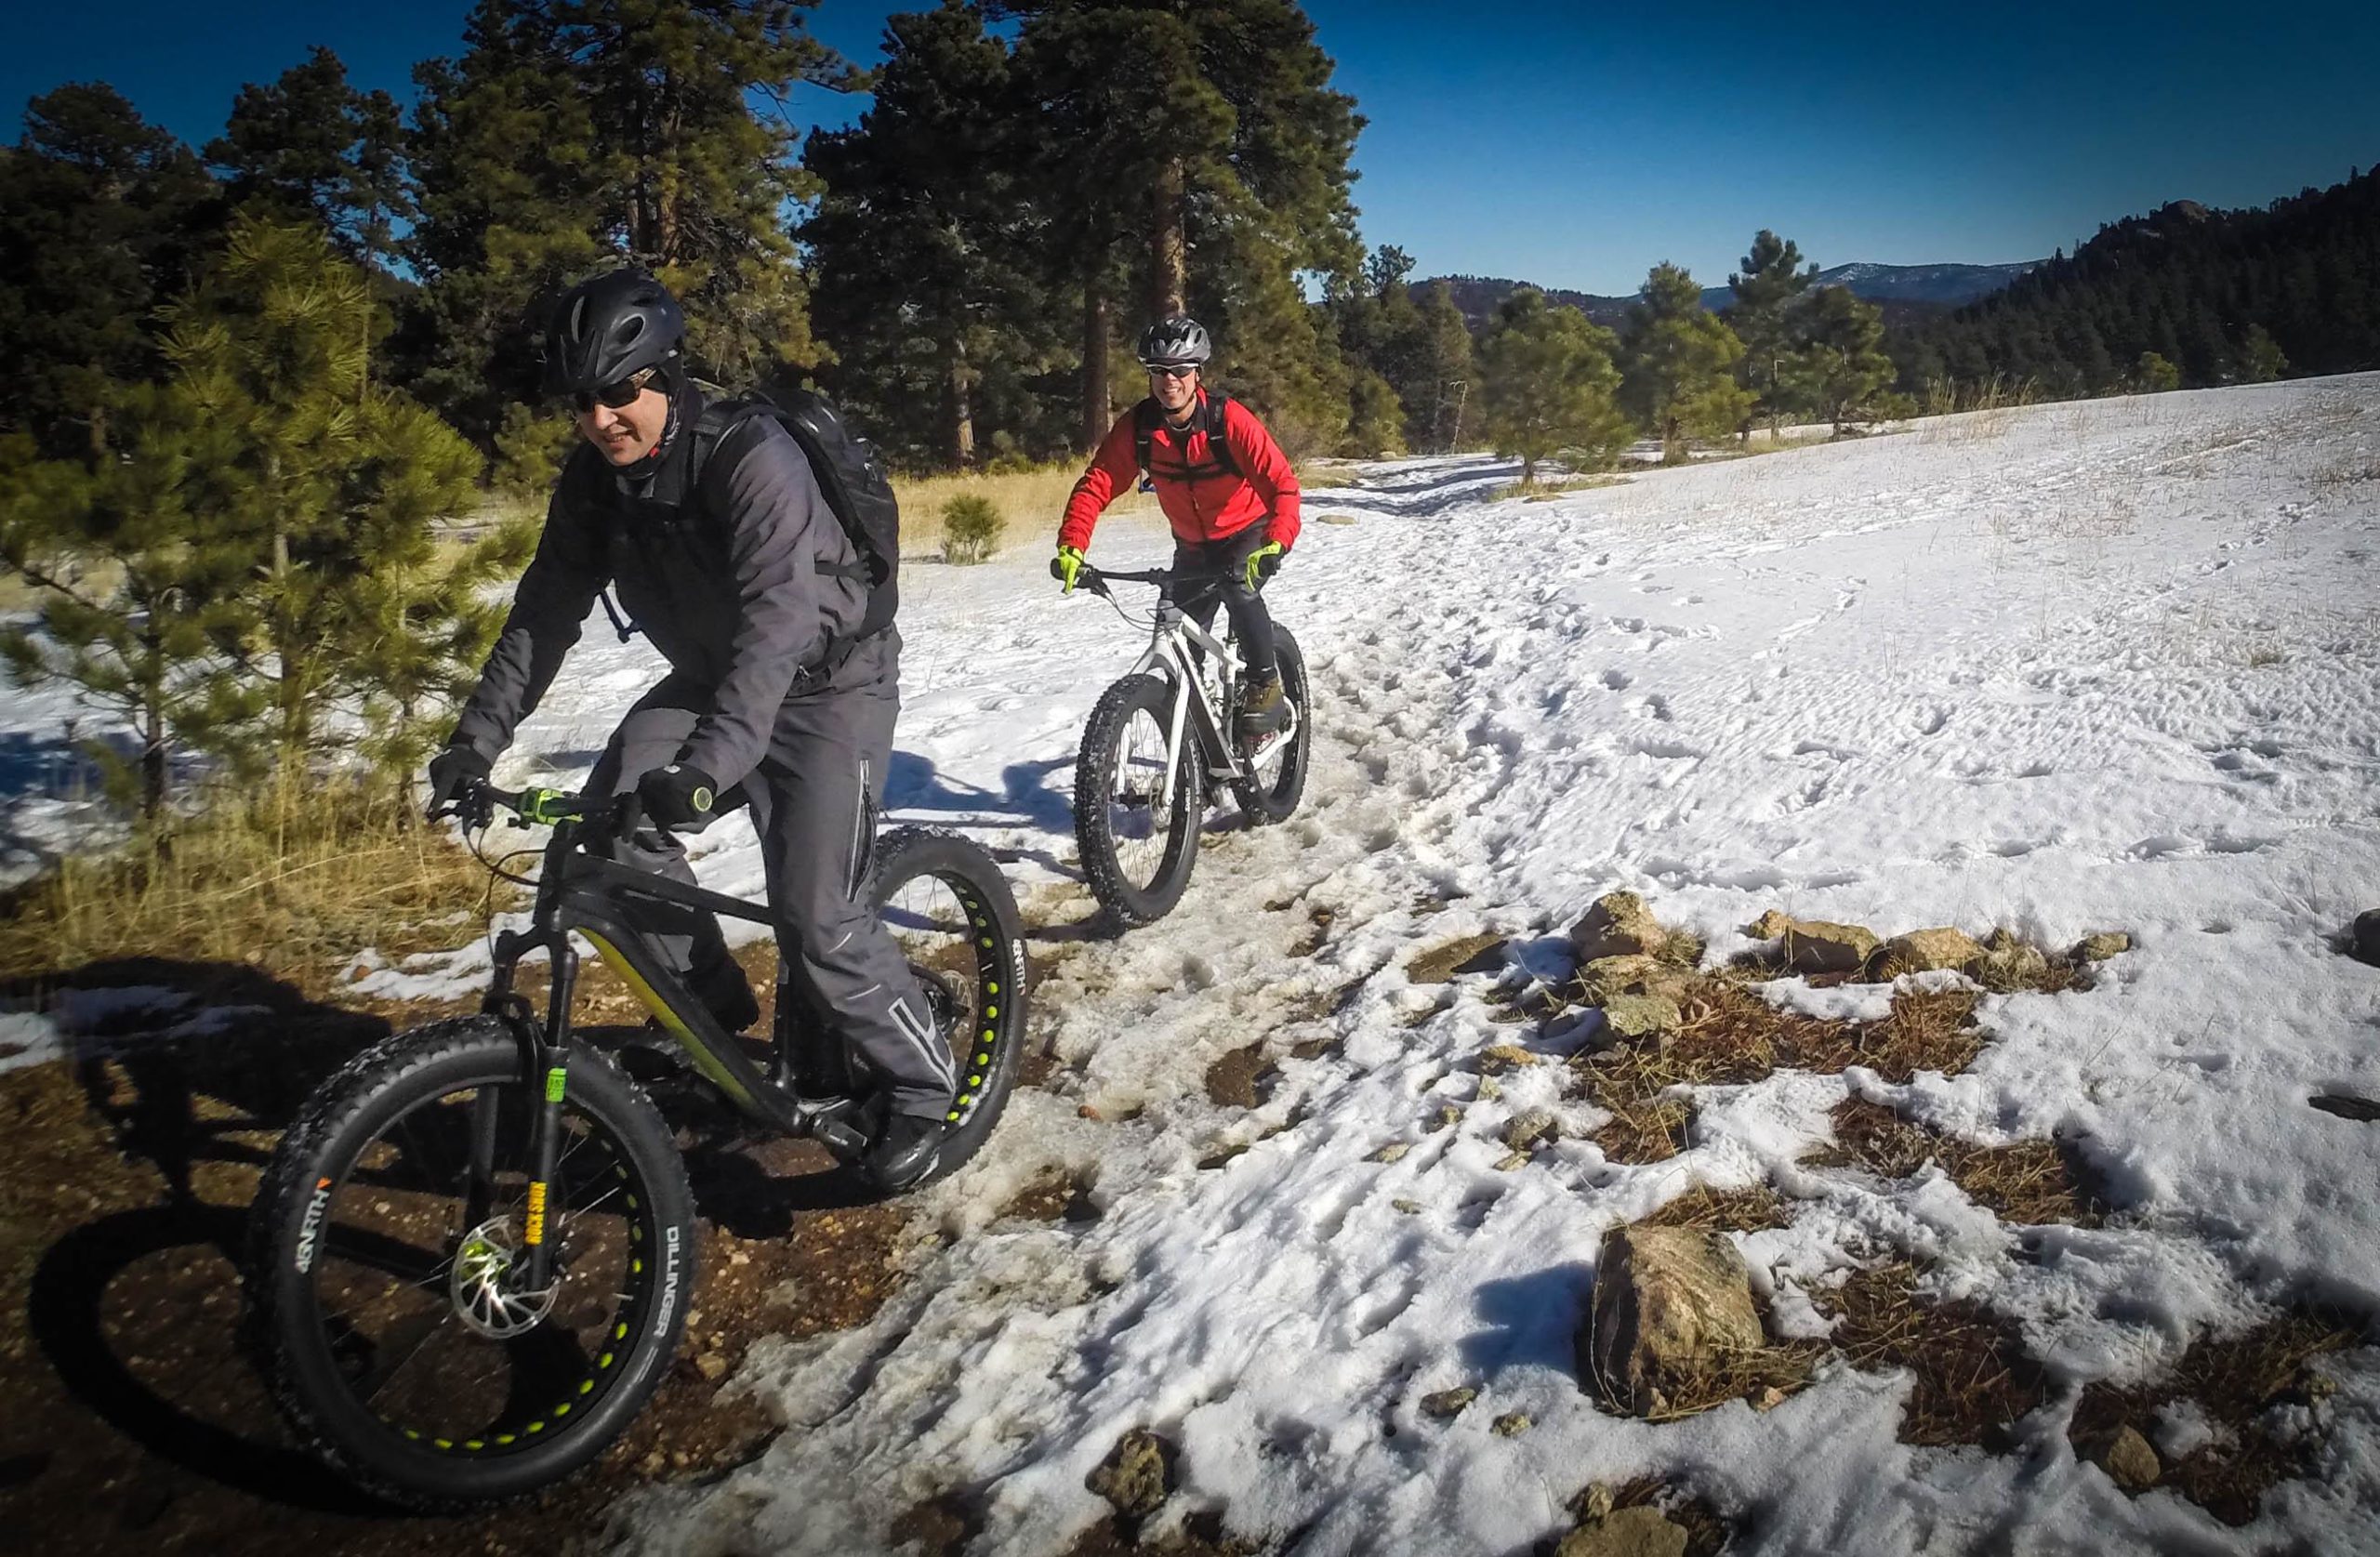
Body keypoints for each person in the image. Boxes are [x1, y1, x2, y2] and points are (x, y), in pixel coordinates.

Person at [423, 268, 953, 1190]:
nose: (601, 420)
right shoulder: (596, 482)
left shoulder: (753, 458)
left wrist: (709, 767)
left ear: (665, 376)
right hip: (712, 681)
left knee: (819, 920)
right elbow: (544, 611)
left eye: (620, 393)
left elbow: (779, 623)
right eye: (583, 401)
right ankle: (709, 1013)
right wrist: (476, 739)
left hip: (831, 688)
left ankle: (925, 1083)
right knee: (613, 833)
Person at [1054, 314, 1302, 739]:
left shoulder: (1229, 420)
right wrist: (1072, 545)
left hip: (1246, 532)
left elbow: (1281, 484)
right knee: (1179, 642)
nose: (1170, 380)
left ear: (1197, 374)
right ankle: (1193, 754)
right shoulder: (1140, 428)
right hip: (1192, 545)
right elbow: (1098, 484)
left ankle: (1265, 681)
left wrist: (1275, 543)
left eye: (1180, 370)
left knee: (1240, 590)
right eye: (1158, 371)